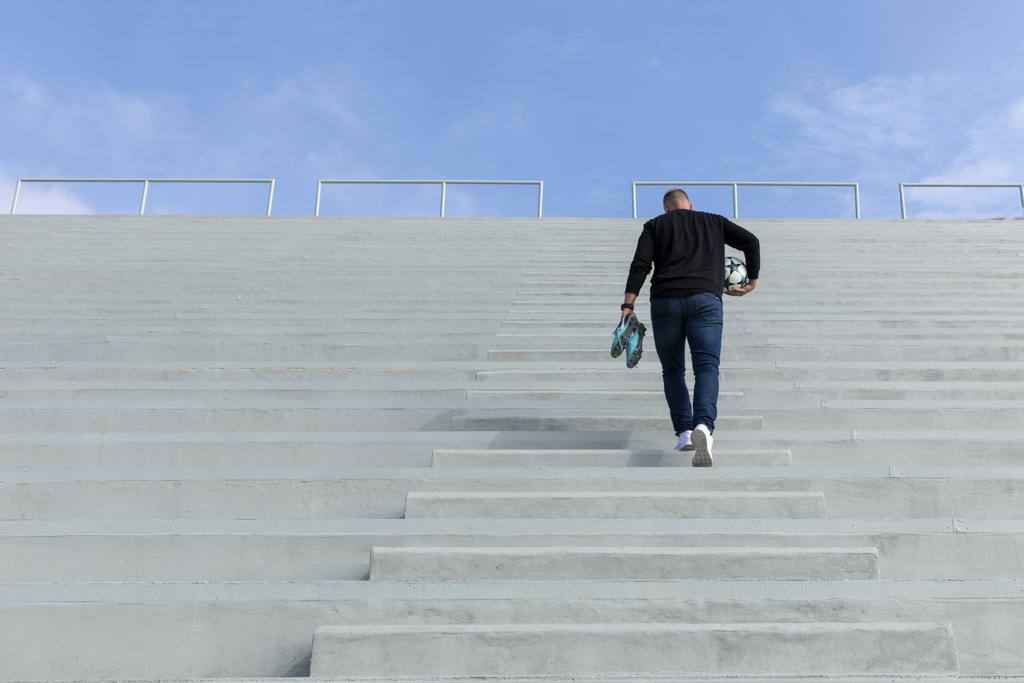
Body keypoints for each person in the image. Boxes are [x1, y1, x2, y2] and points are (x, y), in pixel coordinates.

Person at [621, 188, 760, 467]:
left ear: (666, 209)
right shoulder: (714, 221)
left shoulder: (655, 225)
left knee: (673, 370)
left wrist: (628, 306)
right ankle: (704, 427)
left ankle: (684, 433)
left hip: (666, 303)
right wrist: (753, 279)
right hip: (705, 301)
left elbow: (641, 265)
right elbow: (751, 242)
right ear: (690, 206)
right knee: (707, 367)